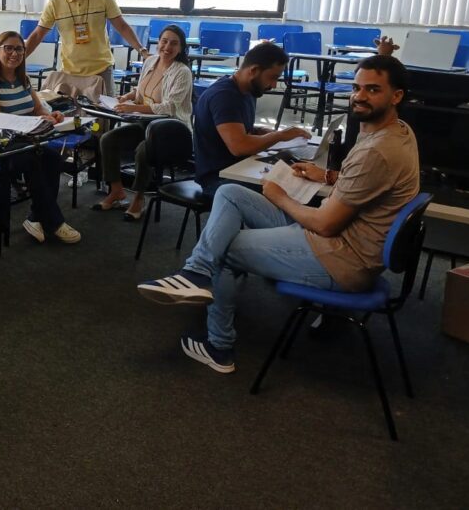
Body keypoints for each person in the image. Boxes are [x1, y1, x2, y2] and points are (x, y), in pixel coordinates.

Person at [136, 55, 419, 374]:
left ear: (396, 96)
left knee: (224, 246)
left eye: (373, 89)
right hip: (344, 242)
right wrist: (327, 176)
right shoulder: (398, 132)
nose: (360, 96)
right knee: (231, 193)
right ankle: (196, 274)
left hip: (340, 258)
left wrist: (279, 196)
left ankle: (218, 347)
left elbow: (325, 224)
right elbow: (368, 182)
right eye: (356, 88)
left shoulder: (377, 151)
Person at [0, 31, 81, 244]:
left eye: (19, 49)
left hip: (23, 140)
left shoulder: (23, 78)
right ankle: (55, 222)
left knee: (52, 157)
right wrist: (28, 123)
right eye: (8, 48)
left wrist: (50, 115)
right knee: (32, 161)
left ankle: (36, 217)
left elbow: (38, 108)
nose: (14, 53)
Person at [93, 24, 194, 220]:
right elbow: (140, 91)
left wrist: (133, 108)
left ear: (181, 48)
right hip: (146, 123)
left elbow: (169, 107)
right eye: (164, 41)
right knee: (108, 139)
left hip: (171, 130)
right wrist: (127, 97)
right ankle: (116, 190)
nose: (167, 47)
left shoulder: (182, 72)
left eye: (174, 43)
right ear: (158, 42)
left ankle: (139, 198)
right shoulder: (150, 61)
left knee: (143, 150)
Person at [192, 42, 310, 197]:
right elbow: (240, 146)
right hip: (218, 180)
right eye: (272, 77)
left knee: (299, 178)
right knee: (295, 190)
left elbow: (238, 128)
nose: (274, 85)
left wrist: (261, 131)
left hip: (239, 169)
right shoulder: (224, 96)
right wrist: (279, 136)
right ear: (254, 70)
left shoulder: (247, 90)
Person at [24, 0, 148, 96]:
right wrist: (19, 60)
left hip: (101, 70)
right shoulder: (55, 2)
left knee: (105, 109)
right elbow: (38, 35)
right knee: (69, 110)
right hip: (70, 72)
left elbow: (122, 26)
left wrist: (142, 51)